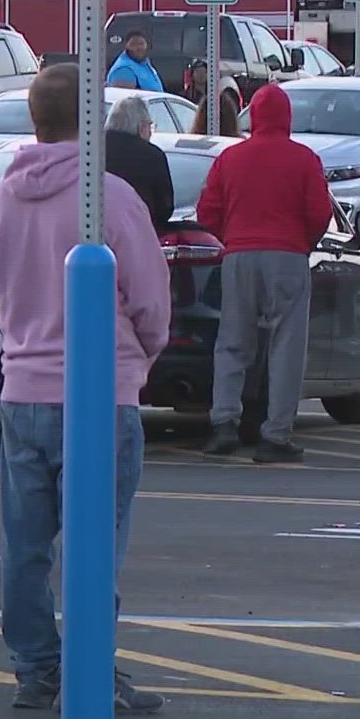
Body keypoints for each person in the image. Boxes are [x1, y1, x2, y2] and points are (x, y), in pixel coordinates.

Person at [0, 63, 170, 714]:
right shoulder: (108, 198)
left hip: (22, 389)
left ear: (34, 117)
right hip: (99, 393)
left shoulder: (2, 197)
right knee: (94, 547)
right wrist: (143, 358)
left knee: (24, 547)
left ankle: (36, 671)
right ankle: (90, 669)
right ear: (91, 121)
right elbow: (149, 301)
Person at [195, 85, 332, 463]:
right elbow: (320, 213)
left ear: (252, 116)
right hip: (287, 255)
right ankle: (276, 434)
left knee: (233, 343)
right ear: (287, 116)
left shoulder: (231, 158)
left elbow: (207, 210)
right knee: (286, 347)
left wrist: (231, 237)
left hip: (239, 254)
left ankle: (224, 423)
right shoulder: (304, 159)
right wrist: (302, 243)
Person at [106, 95, 174, 234]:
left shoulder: (90, 149)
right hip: (138, 232)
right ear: (142, 127)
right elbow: (164, 208)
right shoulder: (152, 156)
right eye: (150, 126)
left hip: (94, 231)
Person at [184, 62, 242, 138]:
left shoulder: (216, 95)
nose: (201, 75)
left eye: (204, 72)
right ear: (193, 74)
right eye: (198, 72)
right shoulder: (186, 95)